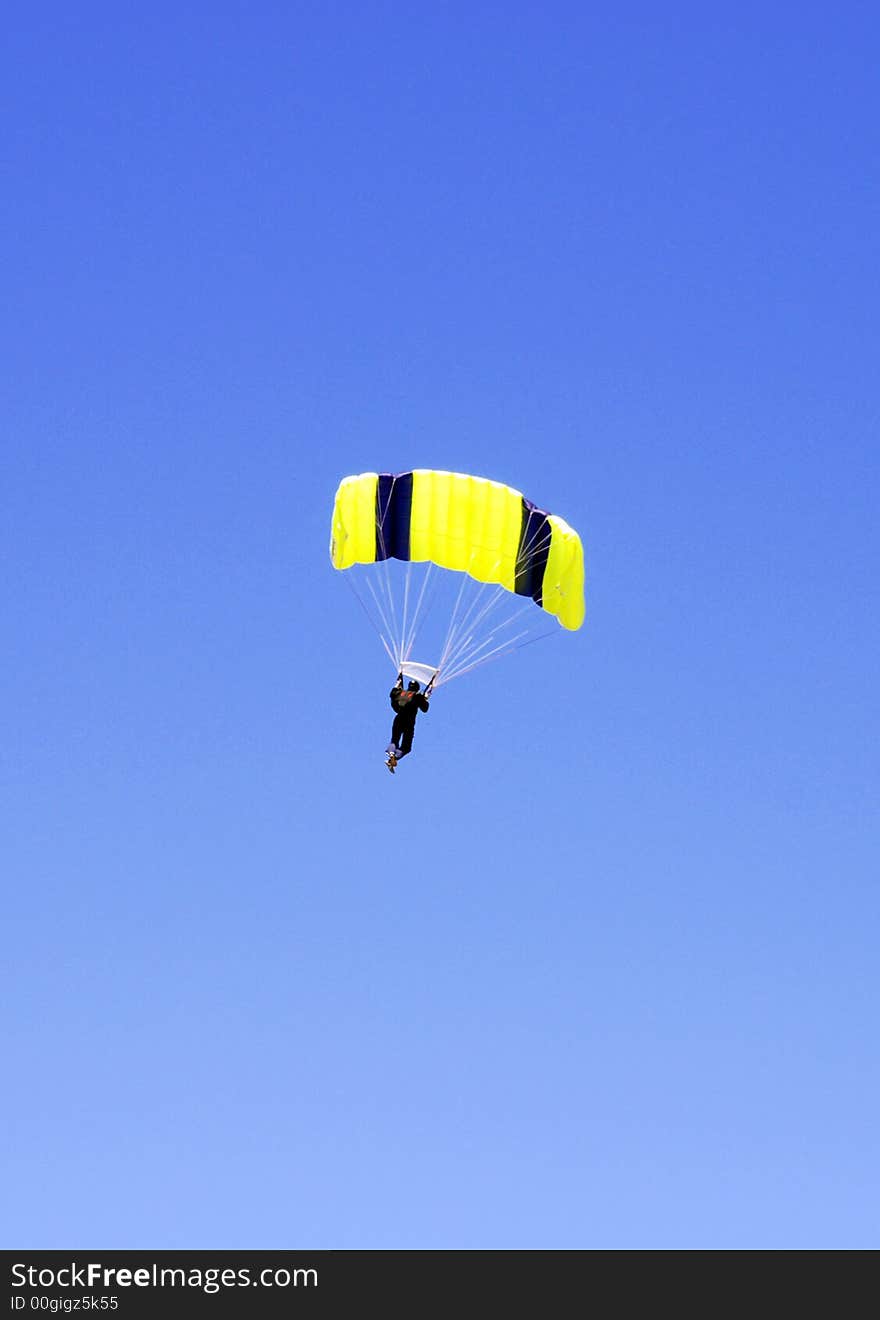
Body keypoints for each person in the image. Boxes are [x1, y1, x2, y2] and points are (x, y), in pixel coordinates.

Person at [385, 674, 430, 772]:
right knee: (406, 747)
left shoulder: (399, 693)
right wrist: (425, 698)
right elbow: (425, 708)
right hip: (409, 723)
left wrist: (397, 684)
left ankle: (391, 754)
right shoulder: (417, 697)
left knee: (394, 741)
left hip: (398, 719)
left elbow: (392, 695)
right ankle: (395, 756)